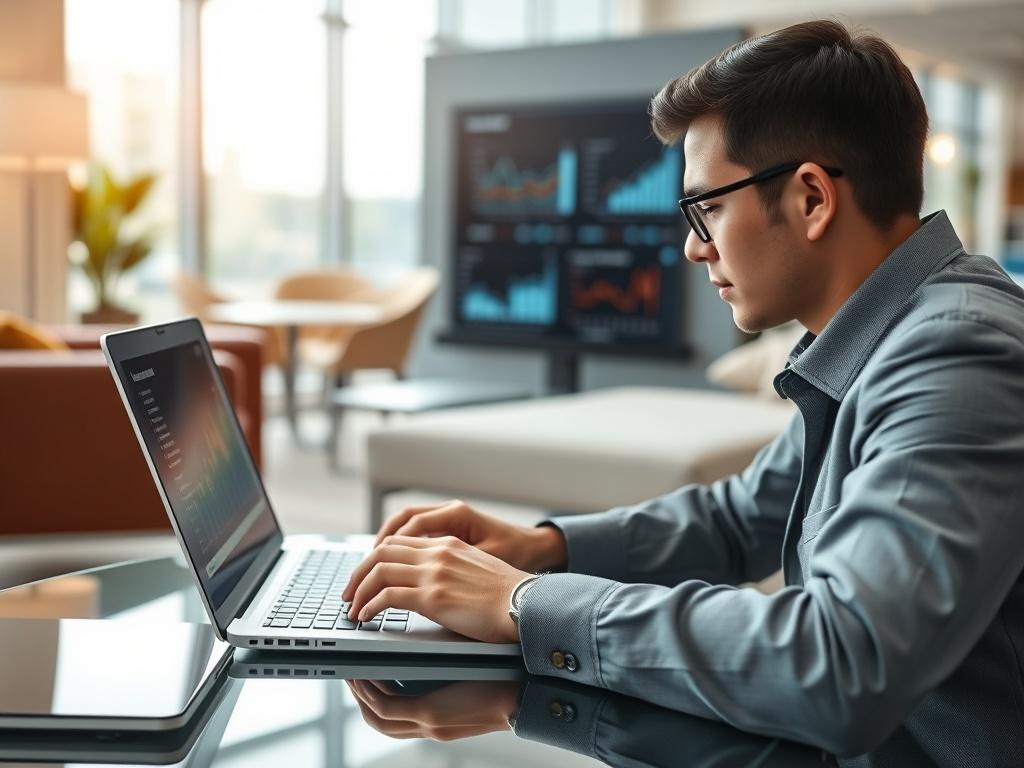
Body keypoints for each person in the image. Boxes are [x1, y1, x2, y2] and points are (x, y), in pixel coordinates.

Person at [343, 19, 1024, 763]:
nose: (694, 245)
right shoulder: (890, 335)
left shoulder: (958, 355)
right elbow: (740, 521)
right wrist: (541, 549)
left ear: (811, 199)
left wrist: (521, 603)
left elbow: (841, 662)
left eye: (708, 209)